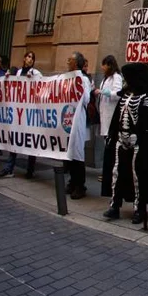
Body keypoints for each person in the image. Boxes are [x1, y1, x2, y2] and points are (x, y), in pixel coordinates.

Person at [101, 63, 148, 225]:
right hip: (121, 139)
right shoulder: (126, 95)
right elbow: (117, 117)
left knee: (138, 176)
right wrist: (113, 135)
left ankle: (139, 208)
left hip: (139, 143)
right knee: (117, 173)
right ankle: (115, 205)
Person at [0, 51, 43, 179]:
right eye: (28, 56)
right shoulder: (17, 72)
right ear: (23, 58)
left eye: (32, 58)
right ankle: (9, 168)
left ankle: (30, 170)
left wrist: (32, 80)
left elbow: (42, 87)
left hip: (29, 114)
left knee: (31, 142)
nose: (29, 59)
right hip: (18, 114)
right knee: (14, 139)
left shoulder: (36, 73)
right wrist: (7, 78)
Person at [65, 52, 93, 199]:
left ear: (76, 64)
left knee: (77, 153)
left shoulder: (83, 80)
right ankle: (72, 181)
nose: (67, 62)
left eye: (70, 60)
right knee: (70, 153)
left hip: (78, 119)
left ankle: (80, 186)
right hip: (68, 118)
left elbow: (86, 99)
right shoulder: (67, 78)